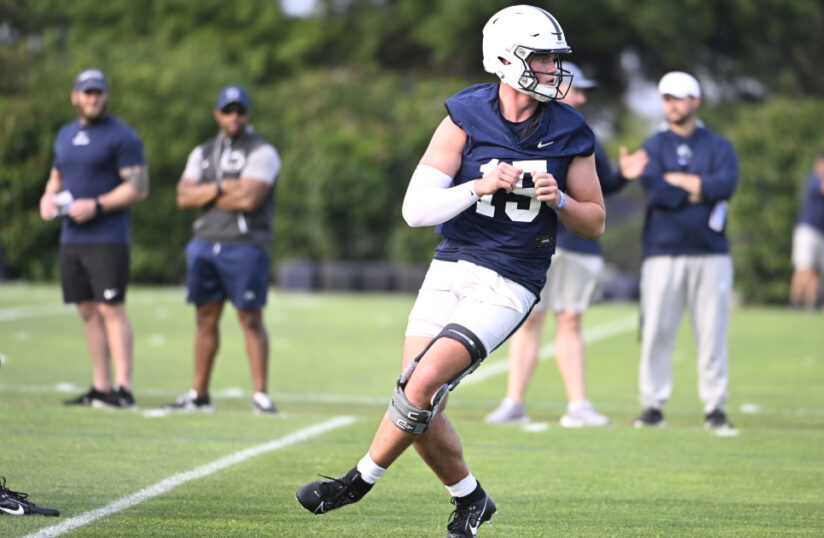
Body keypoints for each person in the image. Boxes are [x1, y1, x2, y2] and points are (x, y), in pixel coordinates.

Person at [295, 6, 604, 536]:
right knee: (416, 395)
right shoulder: (465, 113)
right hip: (451, 264)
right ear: (506, 59)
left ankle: (357, 482)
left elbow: (595, 221)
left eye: (555, 57)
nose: (553, 68)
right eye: (543, 57)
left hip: (510, 278)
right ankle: (470, 499)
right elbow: (416, 211)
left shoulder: (571, 129)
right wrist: (477, 187)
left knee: (420, 385)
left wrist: (561, 202)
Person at [485, 61, 648, 427]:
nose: (582, 95)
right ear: (552, 86)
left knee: (570, 320)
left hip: (577, 244)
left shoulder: (580, 133)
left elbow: (597, 189)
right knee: (530, 322)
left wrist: (623, 176)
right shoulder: (517, 129)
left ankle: (578, 405)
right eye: (576, 89)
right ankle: (513, 403)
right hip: (535, 242)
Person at [163, 85, 281, 415]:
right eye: (227, 111)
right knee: (204, 318)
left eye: (239, 110)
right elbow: (183, 197)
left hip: (245, 245)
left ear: (248, 113)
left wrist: (207, 191)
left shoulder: (263, 151)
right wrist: (223, 187)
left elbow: (249, 198)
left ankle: (260, 395)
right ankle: (198, 395)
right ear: (217, 114)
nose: (233, 117)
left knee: (250, 318)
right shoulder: (202, 151)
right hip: (204, 243)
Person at [630, 71, 739, 430]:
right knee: (657, 332)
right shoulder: (652, 146)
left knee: (712, 333)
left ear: (696, 101)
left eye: (678, 98)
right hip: (662, 252)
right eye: (666, 98)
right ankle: (653, 404)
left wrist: (682, 182)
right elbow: (657, 191)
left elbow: (726, 185)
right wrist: (698, 189)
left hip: (711, 253)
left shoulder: (718, 145)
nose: (671, 105)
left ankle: (715, 406)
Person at [38, 69, 149, 409]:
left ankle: (123, 389)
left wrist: (97, 205)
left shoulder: (122, 136)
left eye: (98, 92)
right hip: (72, 237)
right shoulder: (65, 135)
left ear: (106, 96)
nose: (93, 98)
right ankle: (100, 387)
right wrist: (47, 197)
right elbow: (57, 176)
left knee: (110, 308)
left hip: (108, 236)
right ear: (75, 96)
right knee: (87, 310)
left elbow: (138, 187)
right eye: (87, 92)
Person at [788, 153, 824, 309]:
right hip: (809, 231)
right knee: (804, 268)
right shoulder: (813, 180)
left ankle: (811, 304)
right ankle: (795, 302)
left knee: (817, 271)